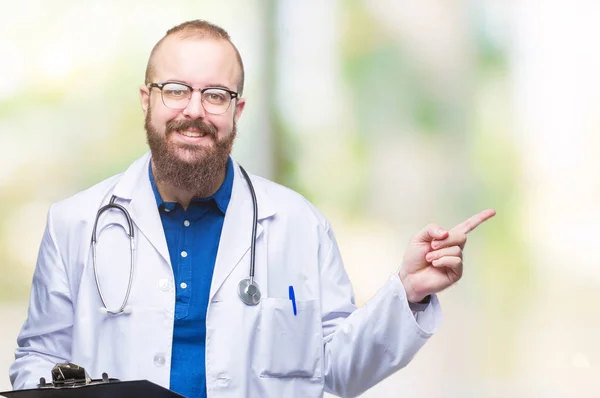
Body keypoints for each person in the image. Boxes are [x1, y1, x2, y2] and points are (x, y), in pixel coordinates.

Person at [9, 19, 495, 398]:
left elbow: (340, 368)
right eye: (176, 89)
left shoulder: (299, 225)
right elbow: (37, 358)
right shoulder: (74, 223)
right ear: (147, 100)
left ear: (238, 111)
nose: (194, 110)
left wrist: (406, 292)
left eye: (215, 95)